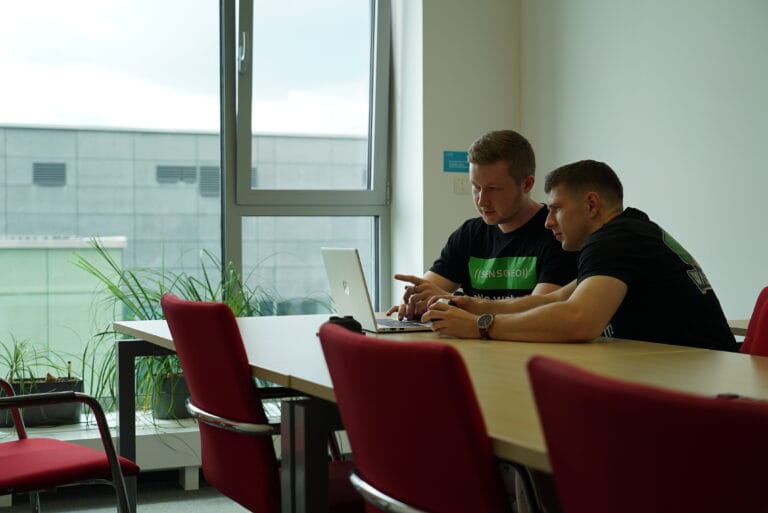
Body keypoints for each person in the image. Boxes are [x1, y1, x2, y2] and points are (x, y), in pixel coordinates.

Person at [423, 159, 739, 352]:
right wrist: (476, 305)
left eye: (556, 209)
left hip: (703, 389)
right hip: (694, 372)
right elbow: (558, 299)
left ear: (591, 205)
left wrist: (481, 325)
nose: (547, 221)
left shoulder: (615, 240)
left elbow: (578, 321)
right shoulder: (630, 231)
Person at [388, 130, 577, 320]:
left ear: (527, 184)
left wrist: (457, 303)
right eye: (476, 187)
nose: (482, 201)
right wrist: (414, 302)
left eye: (493, 189)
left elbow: (540, 310)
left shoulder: (559, 233)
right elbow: (429, 290)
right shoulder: (469, 234)